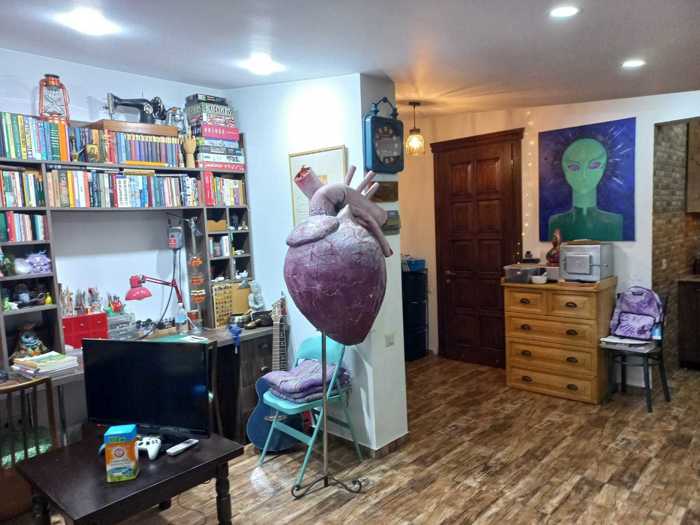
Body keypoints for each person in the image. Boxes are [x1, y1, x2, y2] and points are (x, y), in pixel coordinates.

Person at [548, 138, 623, 241]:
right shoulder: (556, 222)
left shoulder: (615, 222)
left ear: (603, 167)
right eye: (574, 167)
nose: (584, 175)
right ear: (564, 170)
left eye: (594, 165)